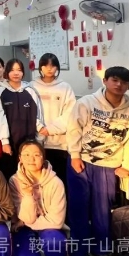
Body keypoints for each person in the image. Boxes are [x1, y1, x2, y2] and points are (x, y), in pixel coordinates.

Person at [67, 66, 129, 256]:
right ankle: (78, 254)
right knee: (79, 210)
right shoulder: (86, 103)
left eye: (124, 82)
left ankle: (102, 251)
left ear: (128, 86)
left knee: (103, 212)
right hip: (82, 162)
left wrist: (127, 165)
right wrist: (74, 155)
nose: (119, 85)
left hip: (109, 166)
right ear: (105, 81)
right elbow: (73, 130)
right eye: (114, 80)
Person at [9, 140, 67, 256]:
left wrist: (24, 222)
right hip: (23, 229)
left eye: (36, 155)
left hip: (49, 227)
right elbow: (25, 217)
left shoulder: (56, 183)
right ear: (20, 158)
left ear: (43, 158)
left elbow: (56, 221)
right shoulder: (15, 181)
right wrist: (28, 195)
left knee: (56, 242)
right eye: (26, 155)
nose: (31, 159)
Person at [30, 53, 76, 185]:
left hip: (59, 143)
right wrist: (40, 127)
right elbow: (29, 110)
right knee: (38, 179)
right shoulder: (32, 86)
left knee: (59, 179)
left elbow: (70, 113)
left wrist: (51, 129)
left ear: (57, 68)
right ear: (40, 67)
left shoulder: (65, 87)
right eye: (45, 65)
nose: (49, 69)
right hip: (37, 140)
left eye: (53, 66)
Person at [0, 58, 44, 181]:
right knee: (10, 175)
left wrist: (39, 139)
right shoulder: (0, 91)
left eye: (19, 70)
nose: (16, 73)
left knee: (29, 176)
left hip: (29, 141)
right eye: (12, 70)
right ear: (7, 72)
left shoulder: (30, 91)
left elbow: (38, 115)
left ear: (23, 72)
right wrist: (5, 142)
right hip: (10, 144)